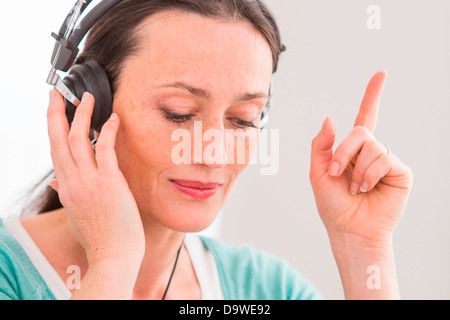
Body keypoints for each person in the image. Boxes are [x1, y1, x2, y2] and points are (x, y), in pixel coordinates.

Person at [0, 0, 413, 300]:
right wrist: (113, 262)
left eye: (242, 119)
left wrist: (364, 250)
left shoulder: (264, 288)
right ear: (87, 106)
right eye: (178, 114)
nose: (214, 154)